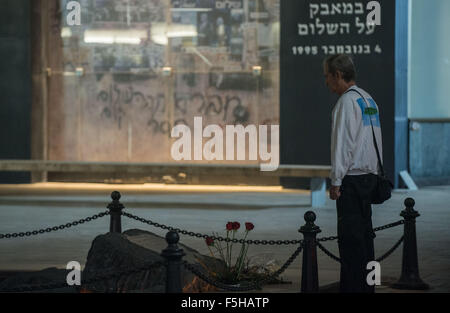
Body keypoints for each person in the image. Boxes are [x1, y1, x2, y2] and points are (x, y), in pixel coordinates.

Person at [323, 54, 383, 293]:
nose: (326, 82)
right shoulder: (367, 100)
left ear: (338, 75)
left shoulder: (346, 103)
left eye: (327, 76)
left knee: (350, 242)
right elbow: (372, 139)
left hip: (353, 180)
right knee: (366, 239)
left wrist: (336, 181)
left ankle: (354, 288)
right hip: (370, 177)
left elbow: (343, 145)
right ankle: (368, 286)